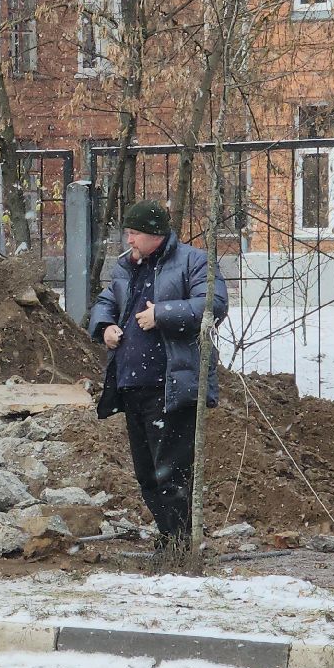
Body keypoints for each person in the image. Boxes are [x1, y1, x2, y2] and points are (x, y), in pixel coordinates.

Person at [88, 199, 227, 564]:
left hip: (171, 386)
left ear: (154, 235)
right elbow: (105, 300)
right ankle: (170, 539)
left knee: (173, 472)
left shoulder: (192, 261)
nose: (129, 240)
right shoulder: (126, 267)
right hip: (132, 385)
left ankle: (180, 546)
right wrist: (105, 327)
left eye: (134, 233)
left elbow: (213, 305)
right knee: (147, 473)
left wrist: (162, 314)